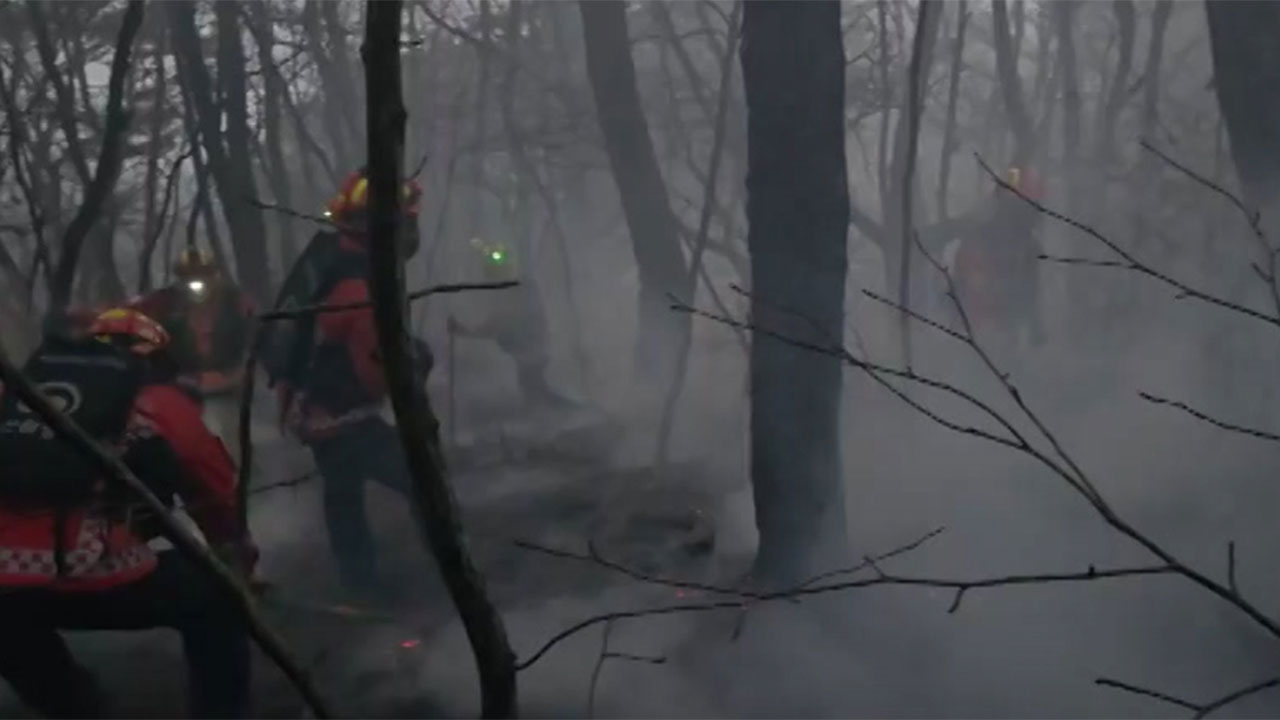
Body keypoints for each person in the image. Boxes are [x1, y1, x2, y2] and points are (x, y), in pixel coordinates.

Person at [0, 308, 257, 718]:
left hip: (4, 585)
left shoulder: (15, 393)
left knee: (19, 638)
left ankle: (76, 704)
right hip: (80, 571)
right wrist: (236, 555)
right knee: (216, 597)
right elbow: (213, 489)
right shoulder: (156, 401)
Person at [264, 167, 433, 596]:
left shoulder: (325, 259)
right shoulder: (358, 284)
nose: (411, 230)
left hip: (312, 405)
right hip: (339, 411)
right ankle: (445, 571)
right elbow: (377, 372)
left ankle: (359, 586)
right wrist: (416, 359)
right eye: (406, 221)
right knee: (423, 483)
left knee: (342, 494)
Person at [128, 248, 257, 462]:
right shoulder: (166, 302)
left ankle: (240, 471)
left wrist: (247, 364)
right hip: (186, 382)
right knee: (192, 437)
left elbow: (252, 328)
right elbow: (145, 320)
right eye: (188, 275)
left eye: (204, 273)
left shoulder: (232, 298)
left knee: (233, 434)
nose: (197, 281)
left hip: (229, 378)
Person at [447, 237, 578, 412]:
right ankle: (559, 414)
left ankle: (565, 414)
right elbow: (497, 322)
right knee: (534, 389)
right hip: (529, 349)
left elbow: (498, 323)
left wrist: (464, 331)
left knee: (535, 391)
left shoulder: (517, 290)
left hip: (531, 349)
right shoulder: (514, 289)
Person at [952, 166, 1047, 349]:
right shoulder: (980, 240)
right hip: (980, 329)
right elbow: (966, 284)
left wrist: (1033, 324)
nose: (1034, 218)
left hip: (1002, 329)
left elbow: (1030, 289)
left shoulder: (1028, 246)